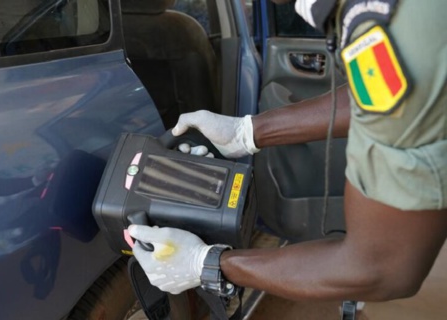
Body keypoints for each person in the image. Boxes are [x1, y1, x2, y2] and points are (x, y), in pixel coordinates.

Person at [128, 0, 447, 302]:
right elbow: (385, 95)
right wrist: (246, 132)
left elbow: (382, 268)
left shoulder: (398, 30)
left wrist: (208, 263)